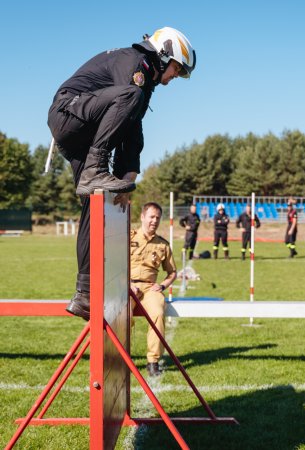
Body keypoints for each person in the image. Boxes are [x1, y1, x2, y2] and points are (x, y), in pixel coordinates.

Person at [47, 27, 195, 320]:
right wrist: (121, 175)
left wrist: (124, 182)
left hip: (80, 131)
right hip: (69, 114)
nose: (176, 76)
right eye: (177, 69)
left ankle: (84, 293)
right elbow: (130, 117)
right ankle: (95, 169)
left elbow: (128, 126)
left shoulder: (143, 78)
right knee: (131, 97)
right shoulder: (134, 64)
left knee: (93, 204)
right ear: (164, 55)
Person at [130, 202, 177, 377]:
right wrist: (126, 284)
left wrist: (163, 285)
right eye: (151, 217)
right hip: (128, 287)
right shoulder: (129, 237)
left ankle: (153, 361)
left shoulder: (163, 245)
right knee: (123, 315)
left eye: (158, 218)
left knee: (158, 312)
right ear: (142, 217)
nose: (154, 221)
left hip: (150, 288)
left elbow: (172, 272)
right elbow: (114, 263)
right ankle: (121, 357)